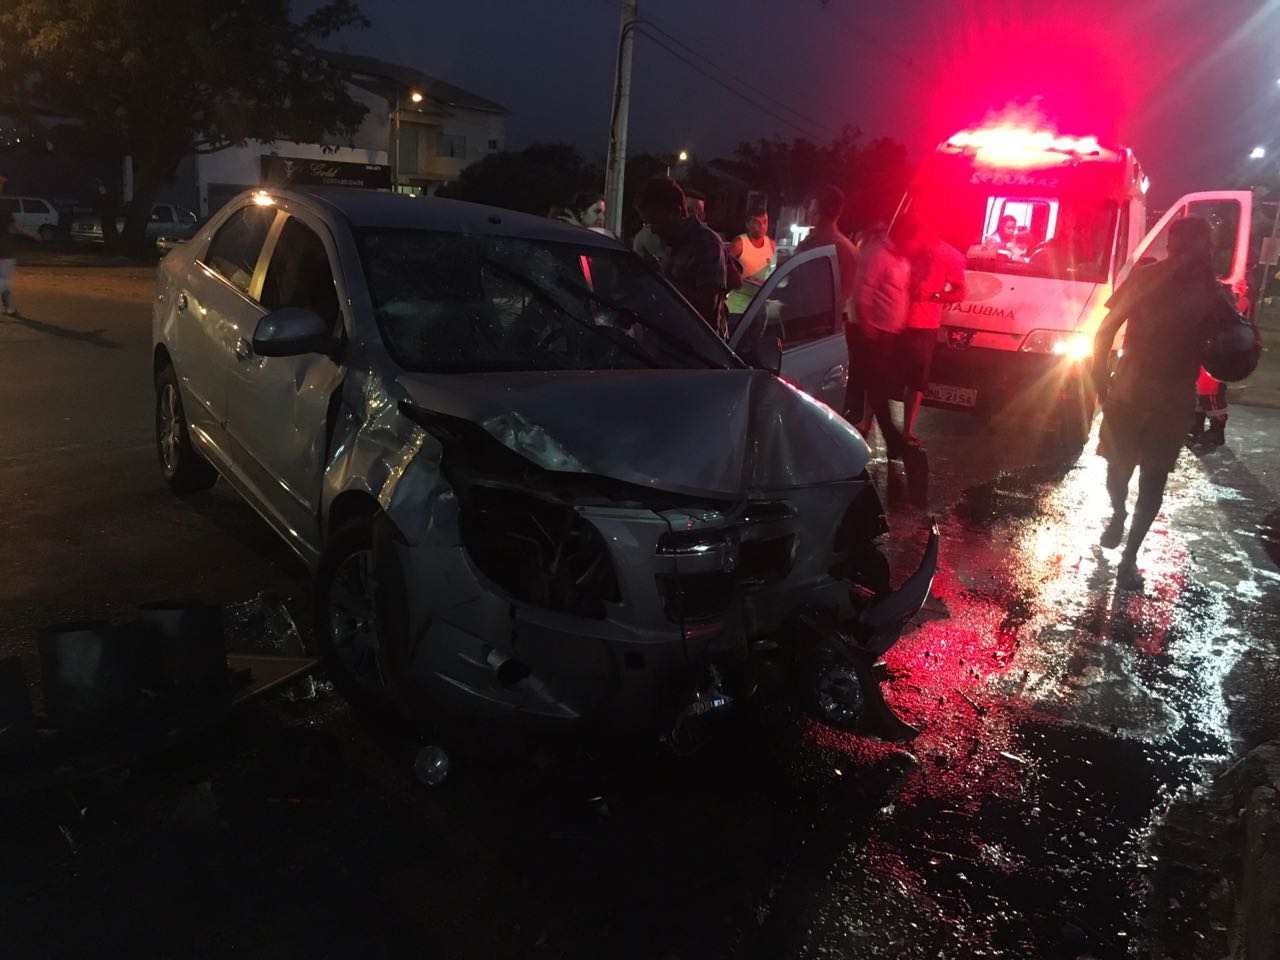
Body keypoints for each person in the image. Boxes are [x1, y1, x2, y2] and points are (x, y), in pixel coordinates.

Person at [1091, 217, 1226, 591]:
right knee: (1151, 479)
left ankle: (1124, 536)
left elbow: (1105, 331)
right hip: (1167, 398)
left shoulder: (1150, 278)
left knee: (1123, 469)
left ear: (1170, 244)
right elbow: (1234, 353)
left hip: (1134, 392)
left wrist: (1099, 380)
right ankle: (1128, 550)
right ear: (1206, 248)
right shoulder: (1212, 292)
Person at [855, 213, 924, 456]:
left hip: (894, 334)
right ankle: (892, 441)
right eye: (916, 239)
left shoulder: (902, 260)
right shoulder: (879, 255)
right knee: (878, 389)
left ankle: (891, 438)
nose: (918, 245)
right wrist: (867, 327)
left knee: (882, 387)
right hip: (877, 334)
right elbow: (863, 292)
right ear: (905, 235)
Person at [797, 186, 862, 422]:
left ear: (821, 211)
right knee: (827, 412)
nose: (808, 211)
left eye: (812, 207)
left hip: (804, 335)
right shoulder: (849, 249)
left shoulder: (812, 248)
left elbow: (797, 293)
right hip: (835, 336)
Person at [635, 177, 728, 337]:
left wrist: (661, 279)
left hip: (696, 351)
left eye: (654, 222)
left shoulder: (707, 244)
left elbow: (707, 307)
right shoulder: (666, 241)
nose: (652, 230)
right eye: (646, 224)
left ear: (676, 212)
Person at [903, 222, 966, 442]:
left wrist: (934, 297)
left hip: (924, 324)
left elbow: (960, 292)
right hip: (895, 320)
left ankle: (907, 430)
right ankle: (867, 421)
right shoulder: (905, 250)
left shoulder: (949, 255)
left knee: (916, 381)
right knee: (882, 372)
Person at [728, 206, 775, 282]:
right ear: (748, 224)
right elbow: (722, 270)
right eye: (757, 223)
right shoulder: (738, 245)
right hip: (739, 292)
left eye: (765, 222)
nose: (762, 226)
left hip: (760, 292)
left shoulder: (771, 245)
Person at [0, 173, 16, 316]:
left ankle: (10, 308)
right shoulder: (4, 206)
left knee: (3, 281)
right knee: (3, 281)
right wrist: (31, 234)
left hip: (4, 250)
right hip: (4, 250)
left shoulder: (4, 205)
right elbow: (13, 228)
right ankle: (10, 308)